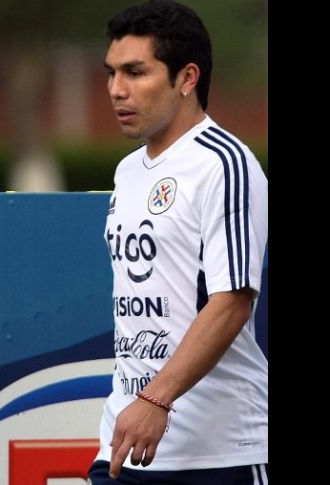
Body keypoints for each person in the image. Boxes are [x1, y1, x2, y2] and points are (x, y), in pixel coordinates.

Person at [90, 1, 268, 483]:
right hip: (126, 438)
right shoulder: (128, 171)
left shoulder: (225, 163)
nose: (115, 90)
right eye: (111, 73)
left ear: (187, 78)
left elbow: (232, 301)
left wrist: (155, 399)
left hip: (216, 451)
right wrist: (138, 403)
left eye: (135, 72)